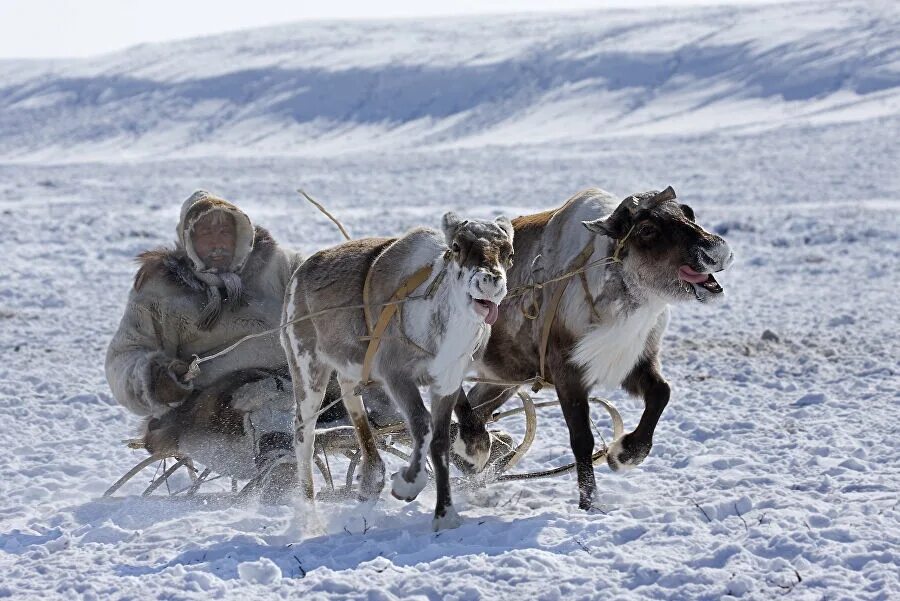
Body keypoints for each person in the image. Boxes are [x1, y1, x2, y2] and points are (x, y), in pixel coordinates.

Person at [105, 190, 347, 501]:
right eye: (206, 232)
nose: (217, 241)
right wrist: (155, 379)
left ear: (242, 232)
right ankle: (279, 471)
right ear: (187, 238)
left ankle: (402, 435)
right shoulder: (160, 290)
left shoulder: (281, 265)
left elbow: (325, 299)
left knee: (356, 371)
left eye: (225, 230)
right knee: (259, 390)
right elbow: (124, 356)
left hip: (305, 389)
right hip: (215, 416)